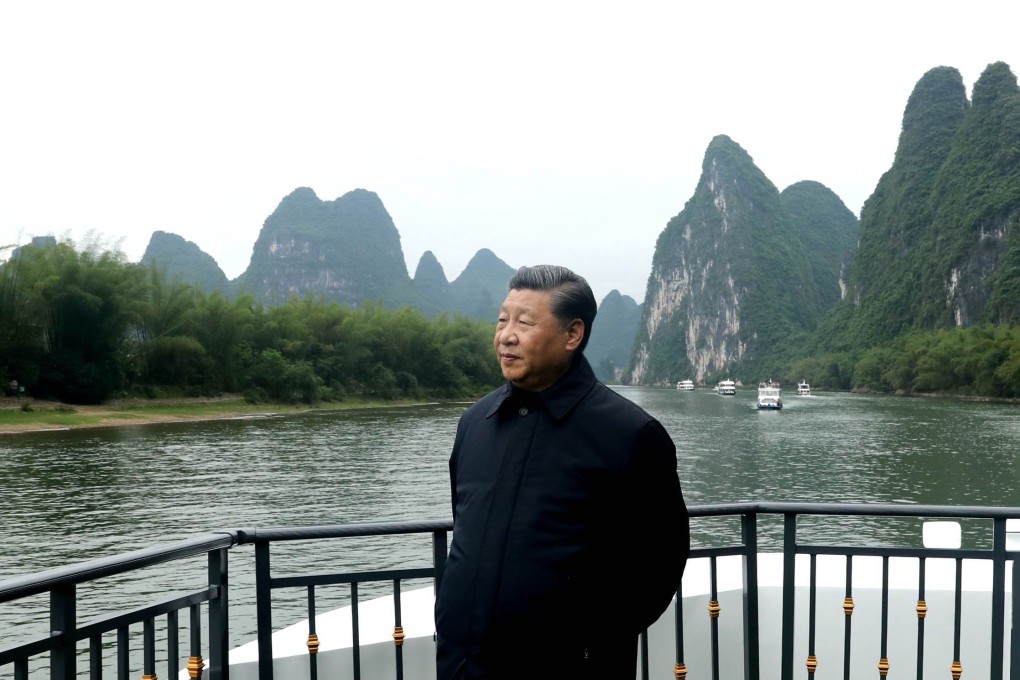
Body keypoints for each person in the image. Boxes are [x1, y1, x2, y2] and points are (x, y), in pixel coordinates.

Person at [435, 264, 690, 679]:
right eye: (503, 320)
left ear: (573, 334)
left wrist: (589, 645)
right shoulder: (475, 423)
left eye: (525, 322)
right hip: (462, 665)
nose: (506, 335)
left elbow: (660, 563)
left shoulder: (629, 434)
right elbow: (465, 525)